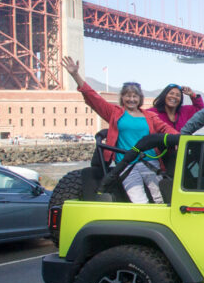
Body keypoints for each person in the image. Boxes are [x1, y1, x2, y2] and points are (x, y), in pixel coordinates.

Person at [62, 56, 175, 204]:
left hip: (150, 163)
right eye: (128, 96)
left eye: (135, 96)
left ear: (140, 98)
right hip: (126, 164)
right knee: (139, 201)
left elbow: (167, 129)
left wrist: (179, 139)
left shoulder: (150, 116)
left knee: (160, 199)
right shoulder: (114, 113)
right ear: (122, 97)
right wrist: (75, 75)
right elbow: (94, 98)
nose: (131, 99)